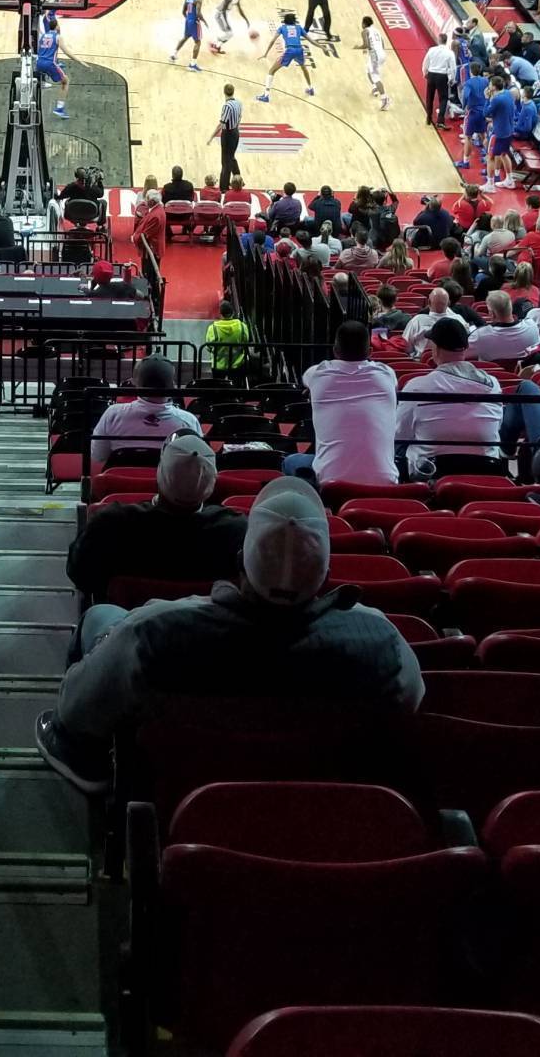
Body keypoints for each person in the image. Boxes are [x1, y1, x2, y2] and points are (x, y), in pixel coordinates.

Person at [35, 476, 423, 793]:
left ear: (240, 560)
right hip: (329, 810)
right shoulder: (382, 642)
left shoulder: (153, 632)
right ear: (324, 571)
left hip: (181, 803)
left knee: (102, 617)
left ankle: (86, 759)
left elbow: (77, 706)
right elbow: (409, 705)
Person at [65, 432, 246, 616]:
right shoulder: (237, 532)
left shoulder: (112, 524)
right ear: (212, 483)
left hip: (126, 636)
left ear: (160, 472)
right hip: (213, 638)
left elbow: (80, 574)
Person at [395, 316, 504, 476]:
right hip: (486, 467)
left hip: (431, 470)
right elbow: (497, 425)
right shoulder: (493, 384)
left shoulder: (417, 386)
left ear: (435, 349)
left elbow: (400, 433)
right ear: (466, 348)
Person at [294, 320, 397, 487]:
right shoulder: (387, 374)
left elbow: (306, 379)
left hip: (330, 484)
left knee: (291, 461)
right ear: (370, 351)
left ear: (335, 351)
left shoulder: (318, 374)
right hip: (386, 482)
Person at [88, 355, 202, 467]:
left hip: (120, 485)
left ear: (135, 383)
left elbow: (98, 455)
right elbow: (200, 460)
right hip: (166, 485)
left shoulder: (113, 414)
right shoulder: (188, 421)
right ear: (173, 385)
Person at [260, 12, 314, 102]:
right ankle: (310, 88)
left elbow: (273, 40)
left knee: (271, 71)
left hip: (290, 51)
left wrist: (266, 53)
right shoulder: (299, 27)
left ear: (285, 21)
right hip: (299, 50)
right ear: (294, 21)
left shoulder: (282, 28)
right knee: (304, 68)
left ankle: (266, 95)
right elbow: (310, 40)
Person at [34, 11, 70, 119]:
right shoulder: (57, 36)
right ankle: (59, 108)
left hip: (39, 62)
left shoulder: (43, 36)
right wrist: (79, 61)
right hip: (49, 63)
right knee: (65, 81)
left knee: (37, 79)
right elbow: (67, 52)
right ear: (56, 26)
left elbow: (39, 50)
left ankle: (42, 83)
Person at [212, 83, 244, 188]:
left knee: (225, 162)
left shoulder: (227, 106)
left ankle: (224, 187)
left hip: (228, 134)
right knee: (231, 157)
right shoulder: (238, 103)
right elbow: (240, 117)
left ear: (224, 92)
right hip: (235, 132)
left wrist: (212, 136)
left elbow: (222, 124)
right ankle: (238, 179)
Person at [171, 0, 204, 69]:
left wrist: (188, 19)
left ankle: (173, 55)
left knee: (185, 37)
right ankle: (193, 64)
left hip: (188, 21)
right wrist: (204, 20)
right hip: (194, 23)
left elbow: (183, 11)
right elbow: (198, 13)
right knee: (198, 42)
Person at [360, 15, 388, 110]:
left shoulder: (365, 31)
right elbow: (382, 42)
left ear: (364, 24)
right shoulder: (376, 30)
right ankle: (375, 88)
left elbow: (366, 44)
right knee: (368, 68)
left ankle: (385, 99)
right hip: (380, 54)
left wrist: (362, 48)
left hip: (375, 56)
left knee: (376, 77)